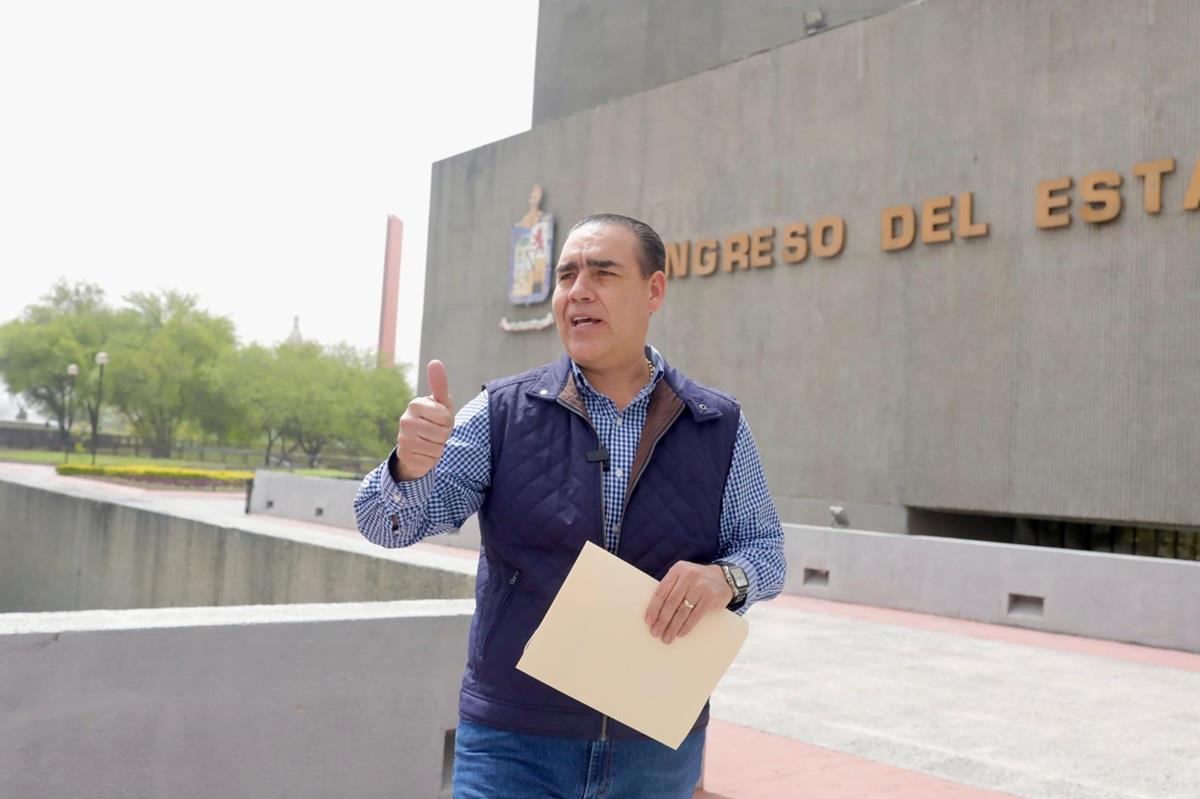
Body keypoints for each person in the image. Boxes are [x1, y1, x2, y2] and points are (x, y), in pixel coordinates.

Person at [354, 213, 787, 798]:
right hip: (513, 743)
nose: (578, 290)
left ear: (654, 290)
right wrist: (409, 465)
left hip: (655, 749)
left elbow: (766, 550)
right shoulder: (501, 413)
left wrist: (726, 579)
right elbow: (386, 525)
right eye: (567, 275)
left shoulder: (717, 424)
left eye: (603, 272)